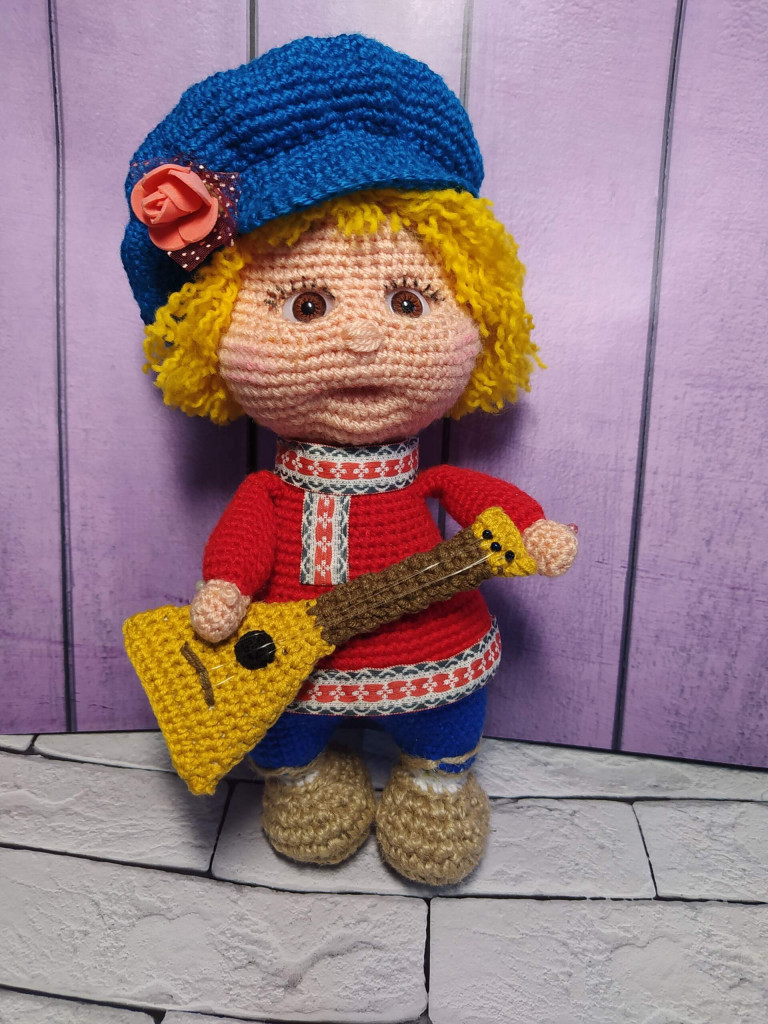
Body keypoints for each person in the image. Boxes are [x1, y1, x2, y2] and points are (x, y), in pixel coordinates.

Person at [122, 34, 578, 886]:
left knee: (447, 719)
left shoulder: (426, 476)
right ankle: (300, 777)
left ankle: (436, 780)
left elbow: (466, 492)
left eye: (408, 301)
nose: (364, 339)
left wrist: (526, 529)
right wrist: (227, 587)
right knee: (284, 732)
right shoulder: (272, 491)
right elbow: (245, 536)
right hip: (290, 666)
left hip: (428, 644)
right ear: (212, 333)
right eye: (305, 304)